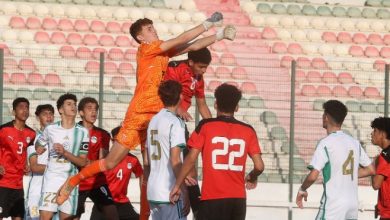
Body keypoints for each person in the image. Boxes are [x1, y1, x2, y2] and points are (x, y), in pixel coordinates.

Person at [57, 11, 236, 220]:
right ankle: (73, 181)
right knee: (110, 162)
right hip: (139, 112)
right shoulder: (147, 49)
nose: (154, 30)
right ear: (141, 37)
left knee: (149, 169)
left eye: (153, 27)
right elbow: (182, 38)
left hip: (156, 115)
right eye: (149, 29)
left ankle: (144, 217)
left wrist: (220, 35)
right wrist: (208, 24)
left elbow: (192, 47)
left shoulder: (162, 53)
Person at [170, 83, 264, 220]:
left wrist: (177, 185)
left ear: (215, 104)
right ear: (237, 107)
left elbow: (190, 159)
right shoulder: (248, 130)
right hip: (237, 200)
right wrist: (252, 176)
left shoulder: (206, 126)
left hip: (212, 199)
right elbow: (259, 166)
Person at [295, 100, 375, 220]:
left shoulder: (325, 143)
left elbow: (313, 176)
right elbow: (370, 170)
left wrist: (302, 189)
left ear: (326, 117)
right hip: (352, 206)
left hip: (333, 207)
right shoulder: (354, 142)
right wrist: (344, 174)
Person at [164, 48, 213, 218]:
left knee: (190, 169)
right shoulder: (175, 68)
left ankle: (197, 210)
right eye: (201, 67)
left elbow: (202, 104)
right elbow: (167, 93)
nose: (204, 71)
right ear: (190, 62)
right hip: (167, 120)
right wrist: (178, 109)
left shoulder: (198, 78)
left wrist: (213, 125)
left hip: (179, 122)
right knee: (178, 165)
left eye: (206, 67)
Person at [35, 93, 89, 220]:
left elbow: (82, 162)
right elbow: (39, 144)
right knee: (45, 217)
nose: (73, 107)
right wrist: (39, 148)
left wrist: (65, 153)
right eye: (69, 104)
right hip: (51, 179)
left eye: (75, 104)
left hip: (70, 182)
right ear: (60, 110)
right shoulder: (50, 129)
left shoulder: (83, 132)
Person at [143, 80, 189, 220]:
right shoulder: (176, 122)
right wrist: (184, 190)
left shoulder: (153, 120)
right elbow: (175, 160)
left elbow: (146, 160)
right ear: (180, 96)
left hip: (153, 191)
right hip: (169, 191)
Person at [75, 97, 118, 220]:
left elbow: (103, 159)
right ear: (81, 112)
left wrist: (89, 162)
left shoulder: (102, 134)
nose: (94, 112)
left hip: (97, 181)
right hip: (77, 182)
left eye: (96, 109)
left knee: (112, 214)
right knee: (74, 216)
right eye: (89, 108)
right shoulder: (73, 131)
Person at [90, 126, 143, 220]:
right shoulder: (106, 159)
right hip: (104, 201)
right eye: (119, 140)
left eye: (125, 140)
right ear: (112, 141)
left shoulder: (133, 159)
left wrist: (143, 195)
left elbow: (142, 175)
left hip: (122, 202)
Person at [0, 97, 36, 220]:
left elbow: (28, 153)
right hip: (3, 182)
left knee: (18, 217)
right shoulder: (4, 130)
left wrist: (27, 165)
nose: (24, 110)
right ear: (13, 112)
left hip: (18, 184)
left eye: (27, 107)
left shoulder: (31, 134)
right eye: (21, 107)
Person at [25, 104, 55, 220]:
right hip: (37, 191)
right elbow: (35, 167)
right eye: (45, 114)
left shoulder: (59, 138)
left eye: (51, 114)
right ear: (38, 117)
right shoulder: (34, 139)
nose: (49, 117)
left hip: (54, 189)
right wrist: (56, 168)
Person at [370, 117, 390, 220]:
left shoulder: (384, 157)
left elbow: (376, 184)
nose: (372, 133)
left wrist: (372, 167)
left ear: (383, 134)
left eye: (375, 131)